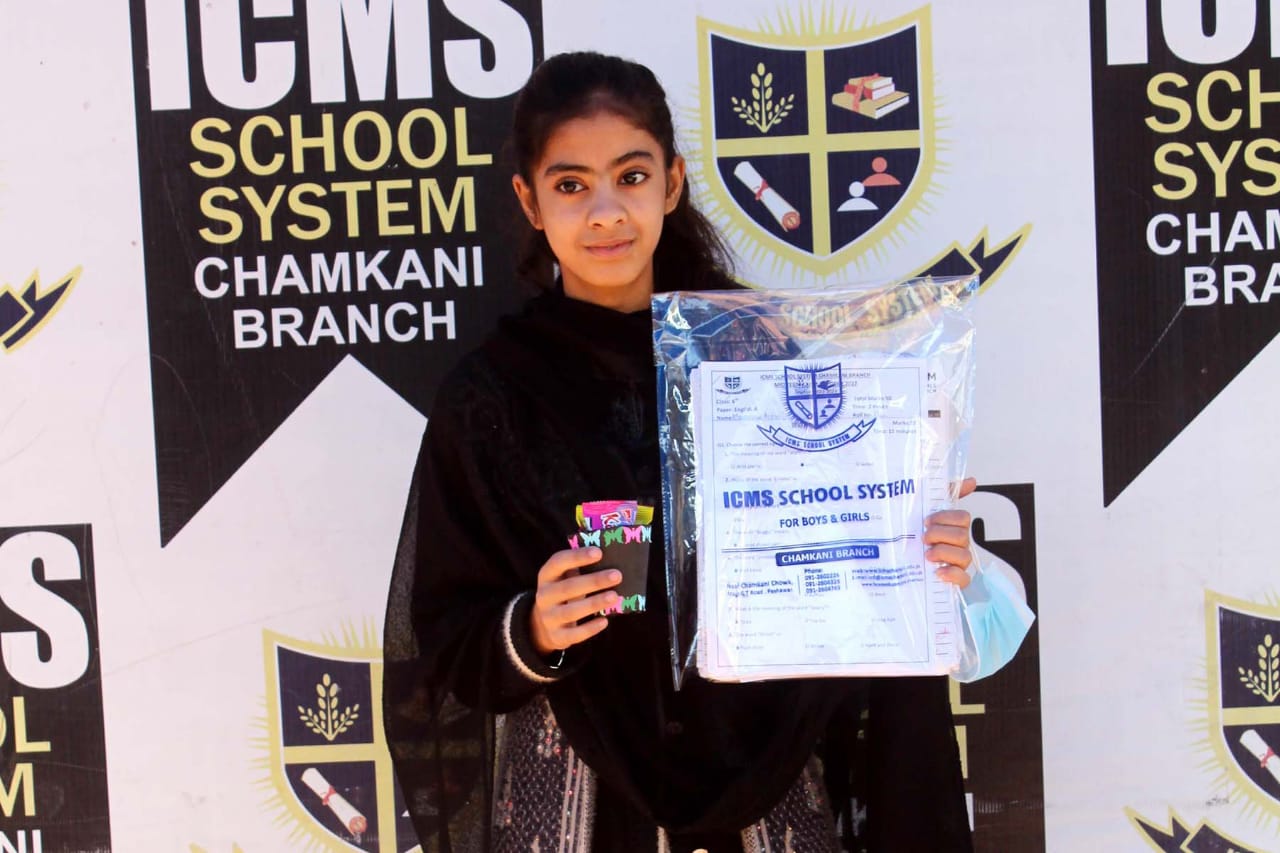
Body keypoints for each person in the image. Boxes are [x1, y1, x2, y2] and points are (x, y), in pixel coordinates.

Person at [382, 51, 976, 853]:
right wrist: (536, 628)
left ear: (671, 183)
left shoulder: (757, 358)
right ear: (529, 200)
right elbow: (445, 648)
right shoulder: (492, 398)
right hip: (575, 804)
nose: (605, 212)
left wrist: (912, 542)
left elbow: (839, 575)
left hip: (764, 790)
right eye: (570, 185)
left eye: (630, 177)